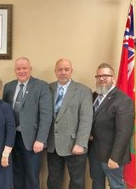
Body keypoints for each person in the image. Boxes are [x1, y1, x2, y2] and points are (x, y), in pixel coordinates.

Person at [2, 57, 52, 189]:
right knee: (16, 173)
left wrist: (41, 139)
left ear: (30, 69)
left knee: (32, 176)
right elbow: (5, 113)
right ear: (15, 70)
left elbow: (46, 115)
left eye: (24, 68)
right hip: (13, 138)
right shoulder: (9, 86)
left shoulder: (42, 86)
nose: (21, 71)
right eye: (18, 68)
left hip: (33, 140)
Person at [47, 58, 93, 189]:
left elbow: (86, 118)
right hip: (53, 144)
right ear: (55, 71)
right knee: (53, 180)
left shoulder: (83, 90)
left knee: (77, 182)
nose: (63, 72)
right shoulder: (48, 88)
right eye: (60, 69)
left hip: (74, 145)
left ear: (71, 71)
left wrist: (80, 143)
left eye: (66, 69)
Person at [88, 63, 134, 189]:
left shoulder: (123, 100)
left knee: (116, 185)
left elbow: (124, 132)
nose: (101, 78)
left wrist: (115, 157)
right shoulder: (93, 96)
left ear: (113, 78)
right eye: (98, 76)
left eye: (105, 76)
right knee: (96, 183)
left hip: (112, 156)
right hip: (94, 152)